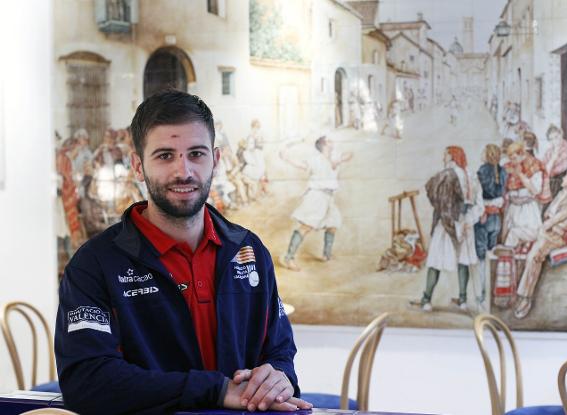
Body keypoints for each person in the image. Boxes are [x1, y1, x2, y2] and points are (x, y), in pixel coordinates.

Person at [55, 90, 311, 415]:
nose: (184, 171)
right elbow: (87, 382)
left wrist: (279, 378)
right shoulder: (95, 264)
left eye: (196, 154)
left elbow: (279, 351)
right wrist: (215, 391)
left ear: (215, 160)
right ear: (137, 165)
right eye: (164, 155)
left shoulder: (248, 250)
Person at [513, 168, 567, 319]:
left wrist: (547, 224)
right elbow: (549, 212)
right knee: (516, 233)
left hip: (557, 235)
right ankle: (507, 286)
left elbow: (561, 215)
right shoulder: (563, 192)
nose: (564, 178)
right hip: (548, 231)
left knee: (534, 256)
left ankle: (525, 298)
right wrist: (546, 223)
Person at [418, 146, 484, 311]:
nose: (443, 157)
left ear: (452, 156)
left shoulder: (446, 174)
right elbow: (478, 204)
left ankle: (426, 300)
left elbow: (432, 192)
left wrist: (449, 214)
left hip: (447, 223)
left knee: (435, 260)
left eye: (445, 154)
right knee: (464, 260)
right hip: (466, 222)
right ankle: (462, 301)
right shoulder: (472, 175)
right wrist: (469, 220)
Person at [279, 136, 353, 271]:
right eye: (330, 141)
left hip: (328, 197)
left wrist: (338, 160)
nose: (333, 143)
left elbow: (350, 154)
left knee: (333, 225)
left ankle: (326, 255)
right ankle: (288, 258)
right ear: (324, 144)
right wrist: (291, 149)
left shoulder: (333, 158)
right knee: (306, 227)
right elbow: (293, 161)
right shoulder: (314, 160)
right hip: (316, 197)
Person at [474, 144, 507, 303]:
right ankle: (491, 292)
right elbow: (502, 195)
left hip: (484, 217)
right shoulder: (503, 171)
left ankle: (482, 293)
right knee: (492, 255)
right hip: (496, 219)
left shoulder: (482, 170)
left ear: (486, 154)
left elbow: (478, 195)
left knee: (481, 257)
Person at [501, 141, 544, 249]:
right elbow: (506, 189)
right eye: (510, 158)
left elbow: (535, 190)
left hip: (527, 210)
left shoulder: (534, 166)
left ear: (522, 154)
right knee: (507, 236)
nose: (512, 161)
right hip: (513, 208)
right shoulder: (509, 167)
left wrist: (520, 174)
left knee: (524, 235)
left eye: (514, 158)